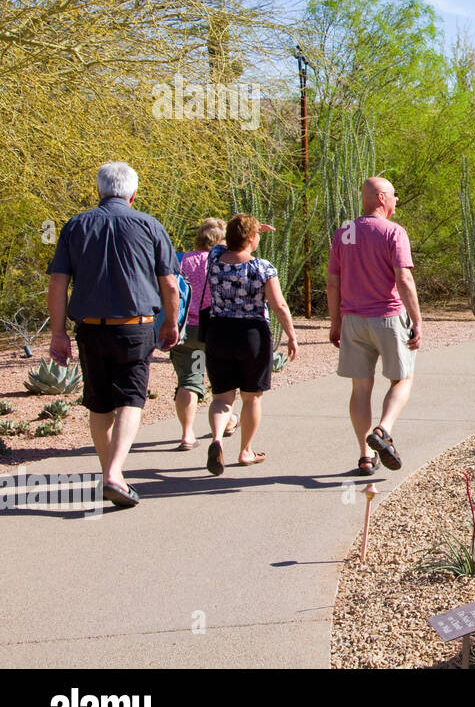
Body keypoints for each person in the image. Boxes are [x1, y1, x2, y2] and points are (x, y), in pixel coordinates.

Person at [45, 162, 180, 508]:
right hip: (135, 327)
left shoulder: (75, 226)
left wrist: (58, 333)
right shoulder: (149, 225)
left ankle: (111, 473)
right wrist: (171, 323)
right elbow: (169, 283)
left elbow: (58, 283)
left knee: (99, 403)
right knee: (130, 400)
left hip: (90, 328)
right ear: (133, 194)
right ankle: (114, 475)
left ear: (99, 191)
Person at [328, 176, 421, 477]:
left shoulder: (345, 232)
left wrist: (335, 322)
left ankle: (365, 456)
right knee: (402, 379)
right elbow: (403, 279)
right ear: (382, 198)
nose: (396, 201)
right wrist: (417, 320)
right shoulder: (394, 232)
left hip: (353, 320)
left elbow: (333, 281)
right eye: (394, 195)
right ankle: (383, 430)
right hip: (388, 317)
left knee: (360, 388)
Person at [203, 213, 297, 476]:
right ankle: (245, 450)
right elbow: (278, 304)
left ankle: (217, 440)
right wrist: (291, 335)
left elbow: (220, 242)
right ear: (252, 238)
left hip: (219, 331)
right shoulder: (262, 267)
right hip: (252, 334)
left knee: (222, 396)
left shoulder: (215, 259)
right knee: (252, 396)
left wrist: (244, 231)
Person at [170, 218, 239, 450]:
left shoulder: (179, 260)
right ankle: (227, 422)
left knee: (189, 380)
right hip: (216, 328)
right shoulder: (221, 261)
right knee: (223, 382)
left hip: (184, 330)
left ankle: (187, 434)